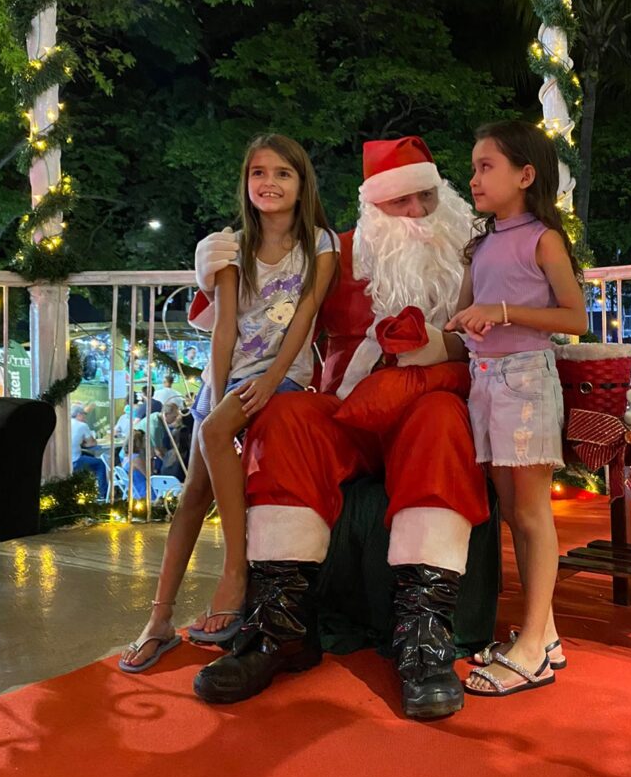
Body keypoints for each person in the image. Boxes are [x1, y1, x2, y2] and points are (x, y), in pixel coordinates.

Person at [190, 136, 489, 719]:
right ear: (373, 209)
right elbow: (265, 306)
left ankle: (424, 637)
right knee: (288, 416)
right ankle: (282, 628)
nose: (415, 214)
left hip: (426, 407)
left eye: (425, 198)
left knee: (441, 421)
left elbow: (501, 341)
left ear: (444, 196)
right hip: (346, 411)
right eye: (398, 203)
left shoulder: (473, 256)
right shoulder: (339, 254)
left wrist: (442, 347)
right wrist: (216, 276)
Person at [120, 134, 339, 672]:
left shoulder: (321, 243)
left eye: (282, 173)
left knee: (216, 435)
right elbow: (222, 331)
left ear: (301, 182)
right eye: (258, 173)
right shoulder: (227, 247)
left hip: (284, 377)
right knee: (194, 492)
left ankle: (236, 573)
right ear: (246, 183)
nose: (269, 182)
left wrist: (269, 383)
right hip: (228, 382)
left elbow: (304, 318)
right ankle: (159, 619)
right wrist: (214, 396)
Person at [446, 120, 587, 698]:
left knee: (531, 515)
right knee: (512, 513)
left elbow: (575, 319)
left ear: (525, 175)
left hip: (526, 381)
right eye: (474, 166)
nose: (474, 177)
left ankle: (532, 646)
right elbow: (460, 320)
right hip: (484, 381)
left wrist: (503, 311)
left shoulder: (543, 240)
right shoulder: (480, 244)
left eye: (487, 167)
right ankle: (542, 634)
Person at [70, 405, 108, 500]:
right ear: (79, 414)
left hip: (65, 460)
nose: (85, 417)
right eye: (84, 415)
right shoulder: (82, 425)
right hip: (75, 459)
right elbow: (91, 443)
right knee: (100, 464)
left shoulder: (65, 423)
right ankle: (102, 494)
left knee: (89, 458)